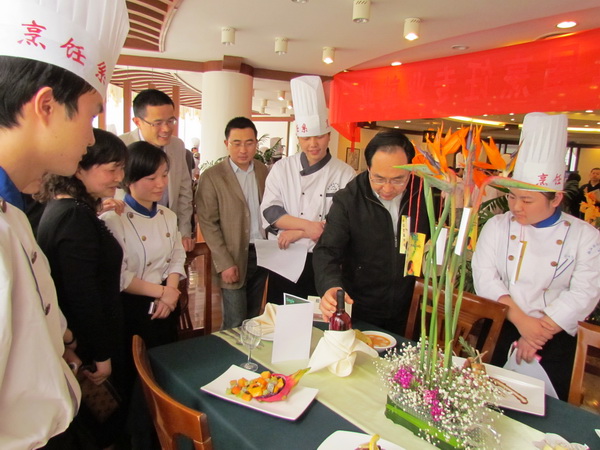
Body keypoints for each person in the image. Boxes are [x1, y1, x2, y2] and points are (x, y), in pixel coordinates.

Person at [0, 2, 128, 448]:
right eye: (91, 117)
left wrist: (62, 341)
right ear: (47, 106)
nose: (91, 138)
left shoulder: (14, 212)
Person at [472, 113, 600, 401]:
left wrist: (537, 332)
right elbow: (485, 276)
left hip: (553, 336)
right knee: (485, 401)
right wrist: (522, 322)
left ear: (556, 199)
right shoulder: (498, 226)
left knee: (544, 410)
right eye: (512, 196)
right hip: (502, 326)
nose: (516, 206)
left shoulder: (584, 235)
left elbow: (585, 292)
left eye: (527, 200)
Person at [36, 129, 129, 448]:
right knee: (103, 426)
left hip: (82, 340)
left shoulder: (67, 210)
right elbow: (83, 296)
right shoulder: (74, 217)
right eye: (112, 169)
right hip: (90, 346)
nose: (119, 178)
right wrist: (101, 355)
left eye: (121, 169)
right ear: (79, 169)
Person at [314, 130, 429, 335]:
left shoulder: (424, 195)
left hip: (410, 307)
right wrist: (330, 286)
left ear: (411, 170)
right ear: (368, 168)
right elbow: (326, 251)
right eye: (379, 178)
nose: (387, 188)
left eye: (398, 180)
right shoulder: (349, 200)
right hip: (361, 308)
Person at [260, 75, 355, 303]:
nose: (313, 144)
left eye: (319, 136)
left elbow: (343, 224)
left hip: (324, 263)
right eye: (306, 137)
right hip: (285, 258)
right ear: (299, 138)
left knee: (319, 316)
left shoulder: (345, 174)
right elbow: (271, 212)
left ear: (329, 136)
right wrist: (308, 227)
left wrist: (300, 233)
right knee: (281, 314)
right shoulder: (282, 168)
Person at [102, 142, 186, 350]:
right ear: (129, 179)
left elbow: (177, 256)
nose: (161, 184)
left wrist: (170, 292)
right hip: (132, 307)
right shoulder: (113, 220)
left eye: (164, 175)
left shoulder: (168, 216)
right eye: (151, 178)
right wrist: (162, 292)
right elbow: (121, 275)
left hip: (167, 304)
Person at [197, 117, 269, 329]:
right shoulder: (212, 177)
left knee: (254, 318)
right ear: (226, 143)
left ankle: (248, 350)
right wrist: (224, 262)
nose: (243, 149)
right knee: (235, 321)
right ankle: (228, 351)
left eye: (249, 143)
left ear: (256, 143)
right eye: (236, 143)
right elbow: (208, 223)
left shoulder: (263, 171)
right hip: (233, 255)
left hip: (262, 253)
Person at [119, 89, 195, 252]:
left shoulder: (177, 145)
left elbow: (184, 191)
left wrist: (184, 232)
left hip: (167, 232)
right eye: (158, 123)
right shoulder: (121, 147)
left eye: (170, 121)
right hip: (130, 234)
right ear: (138, 122)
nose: (166, 129)